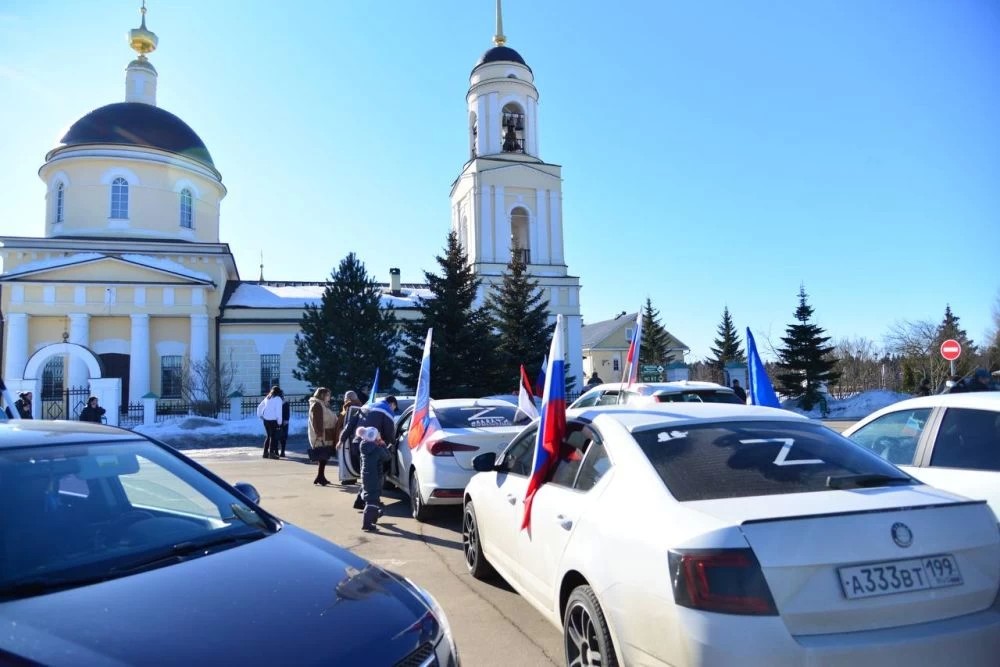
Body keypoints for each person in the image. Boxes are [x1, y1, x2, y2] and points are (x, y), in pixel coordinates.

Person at [352, 396, 398, 512]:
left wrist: (342, 439)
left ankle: (360, 501)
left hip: (357, 442)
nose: (393, 410)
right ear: (391, 403)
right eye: (394, 407)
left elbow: (351, 424)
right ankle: (370, 504)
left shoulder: (368, 406)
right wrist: (392, 442)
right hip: (375, 451)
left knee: (366, 478)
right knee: (375, 480)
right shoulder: (386, 411)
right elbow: (389, 431)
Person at [358, 426, 391, 532]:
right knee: (372, 500)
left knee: (372, 497)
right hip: (374, 476)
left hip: (366, 475)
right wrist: (383, 445)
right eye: (378, 435)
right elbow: (387, 457)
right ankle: (367, 524)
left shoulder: (363, 444)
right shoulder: (376, 449)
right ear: (375, 437)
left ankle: (374, 515)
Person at [307, 387, 338, 486]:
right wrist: (319, 435)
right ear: (322, 395)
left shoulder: (323, 405)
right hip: (322, 435)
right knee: (322, 456)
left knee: (324, 457)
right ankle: (320, 477)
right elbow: (317, 421)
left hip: (326, 433)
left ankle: (320, 477)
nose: (329, 397)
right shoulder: (317, 405)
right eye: (328, 395)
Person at [338, 390, 364, 485]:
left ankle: (349, 477)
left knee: (349, 458)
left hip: (351, 437)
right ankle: (351, 476)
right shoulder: (361, 406)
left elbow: (347, 424)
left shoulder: (350, 407)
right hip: (356, 436)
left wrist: (341, 439)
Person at [256, 386, 284, 459]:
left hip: (266, 420)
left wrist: (260, 415)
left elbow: (259, 406)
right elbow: (279, 412)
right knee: (273, 437)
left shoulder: (268, 397)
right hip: (273, 420)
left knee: (268, 436)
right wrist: (280, 422)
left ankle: (265, 453)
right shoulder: (278, 399)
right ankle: (271, 453)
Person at [278, 390, 291, 457]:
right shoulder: (282, 403)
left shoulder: (285, 403)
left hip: (282, 421)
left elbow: (287, 413)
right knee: (279, 437)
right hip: (279, 421)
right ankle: (279, 451)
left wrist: (286, 420)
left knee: (283, 437)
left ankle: (282, 452)